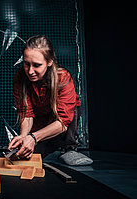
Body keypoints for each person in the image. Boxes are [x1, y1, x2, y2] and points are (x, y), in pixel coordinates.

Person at [8, 35, 92, 165]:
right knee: (30, 154)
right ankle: (51, 150)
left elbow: (63, 122)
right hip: (39, 122)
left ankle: (68, 149)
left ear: (49, 61)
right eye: (26, 64)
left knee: (73, 106)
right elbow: (26, 113)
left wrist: (33, 138)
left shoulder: (63, 78)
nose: (30, 71)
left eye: (37, 65)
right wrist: (24, 138)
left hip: (59, 124)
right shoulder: (20, 77)